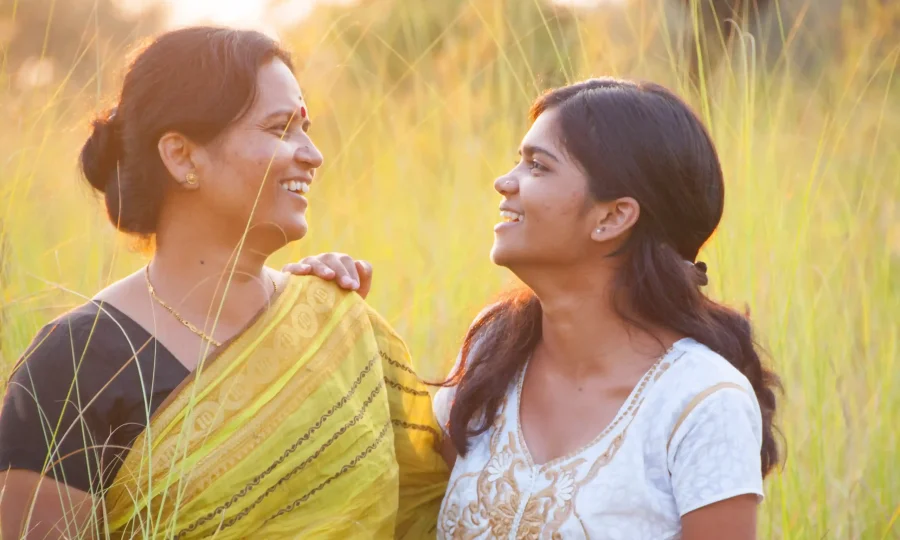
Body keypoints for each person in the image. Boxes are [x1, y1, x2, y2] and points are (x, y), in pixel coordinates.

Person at [0, 27, 448, 539]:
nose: (313, 154)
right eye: (281, 129)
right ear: (183, 157)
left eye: (306, 128)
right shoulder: (74, 363)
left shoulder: (338, 326)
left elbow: (428, 505)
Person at [287, 78, 782, 539]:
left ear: (613, 216)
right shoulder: (495, 350)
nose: (505, 182)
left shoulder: (703, 401)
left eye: (537, 166)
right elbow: (393, 489)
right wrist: (326, 317)